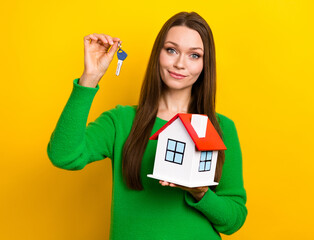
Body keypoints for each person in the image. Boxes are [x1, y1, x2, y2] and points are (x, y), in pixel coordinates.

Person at [47, 11, 247, 239]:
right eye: (171, 50)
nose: (180, 64)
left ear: (205, 64)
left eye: (194, 55)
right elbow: (63, 156)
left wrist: (201, 193)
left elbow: (233, 220)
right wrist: (90, 78)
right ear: (158, 54)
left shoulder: (221, 128)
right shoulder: (121, 121)